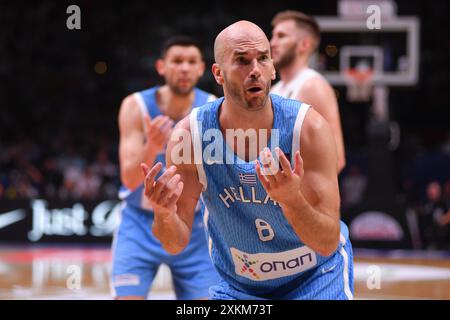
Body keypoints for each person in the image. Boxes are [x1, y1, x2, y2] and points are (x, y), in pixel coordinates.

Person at [142, 21, 353, 300]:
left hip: (316, 277)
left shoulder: (308, 128)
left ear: (273, 67)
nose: (255, 70)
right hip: (240, 287)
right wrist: (163, 213)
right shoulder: (190, 135)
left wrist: (292, 200)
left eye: (263, 58)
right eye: (242, 61)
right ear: (218, 73)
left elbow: (327, 242)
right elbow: (174, 242)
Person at [111, 36, 220, 300]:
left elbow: (216, 179)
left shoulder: (212, 108)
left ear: (201, 68)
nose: (184, 68)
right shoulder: (134, 106)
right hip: (139, 223)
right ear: (161, 66)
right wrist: (152, 146)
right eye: (177, 61)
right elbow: (128, 178)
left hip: (193, 226)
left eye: (191, 62)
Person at [270, 10, 346, 173]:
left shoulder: (313, 86)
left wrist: (294, 196)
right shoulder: (274, 89)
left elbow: (336, 158)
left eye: (281, 36)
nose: (273, 43)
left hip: (297, 196)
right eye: (273, 36)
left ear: (304, 44)